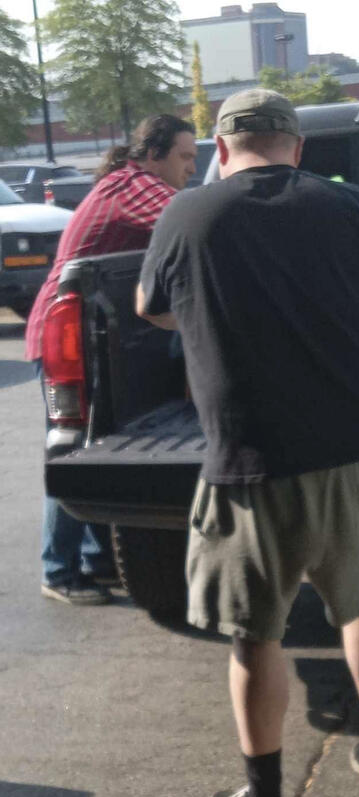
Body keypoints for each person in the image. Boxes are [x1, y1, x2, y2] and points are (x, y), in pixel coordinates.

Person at [136, 89, 359, 797]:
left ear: (220, 149)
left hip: (248, 461)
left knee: (257, 634)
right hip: (348, 447)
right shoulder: (351, 207)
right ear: (297, 147)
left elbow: (154, 307)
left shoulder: (189, 214)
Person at [26, 114, 197, 606]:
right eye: (184, 157)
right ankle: (58, 571)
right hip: (66, 338)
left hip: (86, 336)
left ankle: (96, 561)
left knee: (95, 443)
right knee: (75, 447)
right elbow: (191, 218)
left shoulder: (128, 183)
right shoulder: (133, 184)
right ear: (152, 155)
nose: (191, 167)